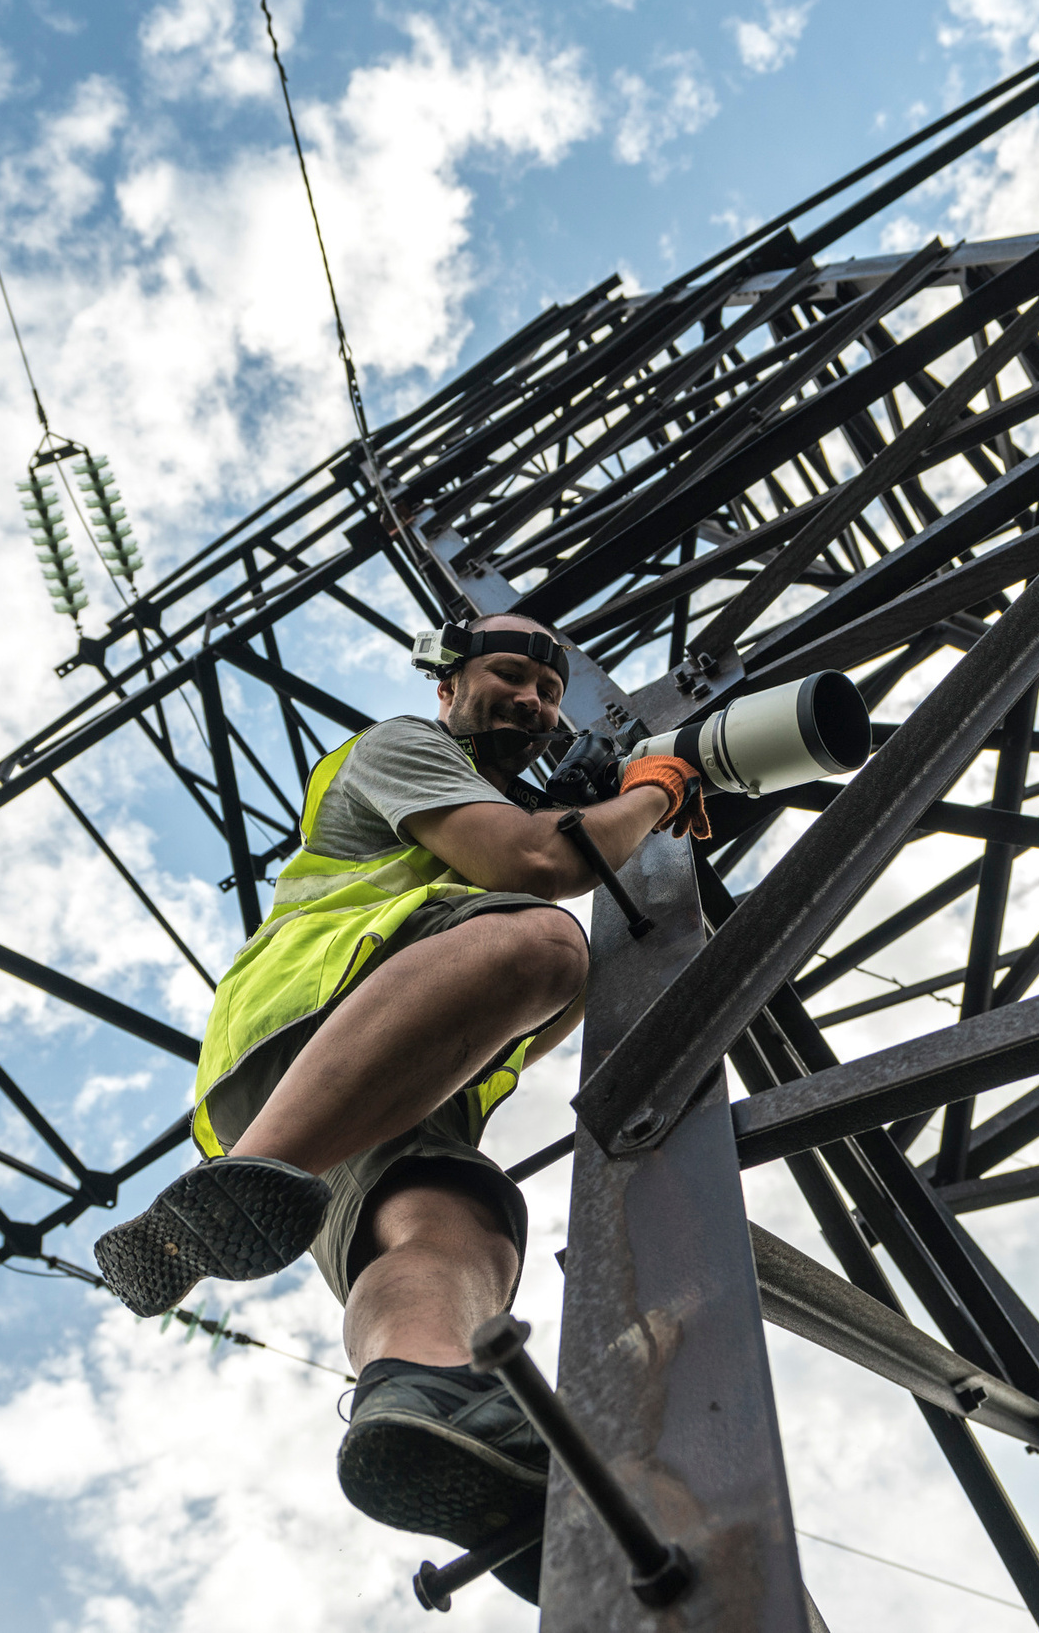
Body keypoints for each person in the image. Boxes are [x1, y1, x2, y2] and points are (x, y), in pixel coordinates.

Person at [93, 611, 707, 1585]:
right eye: (507, 675)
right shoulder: (404, 747)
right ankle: (252, 1180)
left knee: (456, 1230)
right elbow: (537, 866)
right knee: (543, 941)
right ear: (445, 686)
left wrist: (595, 820)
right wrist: (652, 795)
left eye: (548, 690)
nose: (534, 701)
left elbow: (534, 921)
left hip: (404, 1091)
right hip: (312, 1036)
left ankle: (428, 1393)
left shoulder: (487, 797)